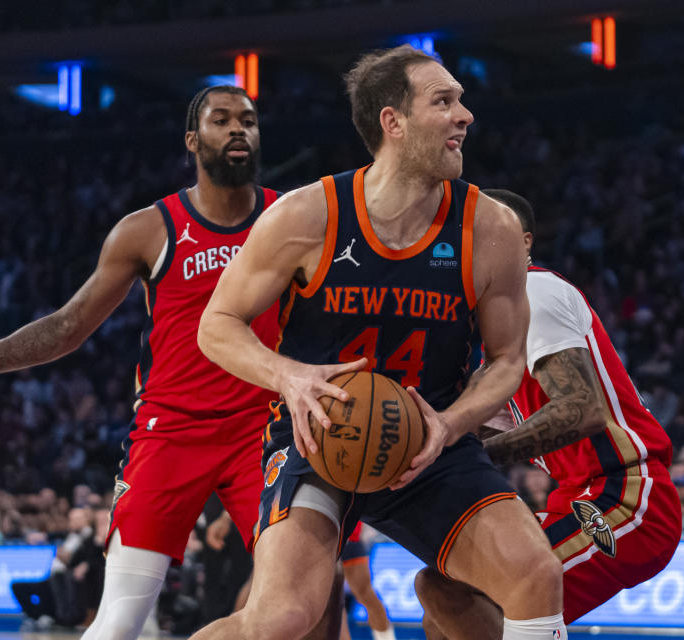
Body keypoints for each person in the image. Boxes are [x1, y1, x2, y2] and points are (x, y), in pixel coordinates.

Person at [191, 46, 565, 640]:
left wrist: (450, 423)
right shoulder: (308, 214)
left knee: (535, 572)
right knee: (281, 619)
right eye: (444, 101)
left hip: (430, 440)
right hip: (320, 438)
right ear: (393, 122)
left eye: (462, 100)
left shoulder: (489, 226)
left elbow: (506, 361)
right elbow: (217, 324)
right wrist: (289, 376)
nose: (465, 115)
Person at [0, 85, 283, 640]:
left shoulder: (289, 218)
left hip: (262, 431)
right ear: (194, 140)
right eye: (222, 120)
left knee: (303, 605)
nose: (239, 128)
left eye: (248, 120)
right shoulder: (148, 229)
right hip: (170, 430)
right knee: (119, 619)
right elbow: (70, 325)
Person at [413, 190, 681, 637]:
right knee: (442, 604)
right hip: (579, 495)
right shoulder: (493, 345)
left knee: (454, 592)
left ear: (524, 244)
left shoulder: (533, 290)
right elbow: (461, 432)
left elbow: (582, 410)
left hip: (628, 496)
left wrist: (480, 456)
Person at [339, 523, 394, 640]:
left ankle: (386, 638)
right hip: (324, 538)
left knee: (365, 594)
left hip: (347, 537)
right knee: (332, 600)